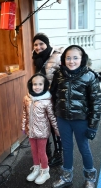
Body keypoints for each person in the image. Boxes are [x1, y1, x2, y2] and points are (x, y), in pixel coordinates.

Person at [50, 45, 101, 188]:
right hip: (63, 119)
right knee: (66, 148)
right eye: (68, 57)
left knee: (83, 148)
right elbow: (53, 95)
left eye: (75, 57)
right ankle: (66, 177)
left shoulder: (89, 76)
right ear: (63, 59)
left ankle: (90, 177)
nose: (71, 61)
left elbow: (97, 103)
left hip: (81, 120)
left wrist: (93, 126)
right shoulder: (58, 74)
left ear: (82, 59)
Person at [21, 73, 59, 185]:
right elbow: (24, 113)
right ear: (30, 85)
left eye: (40, 84)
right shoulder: (27, 98)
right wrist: (23, 126)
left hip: (42, 131)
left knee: (42, 151)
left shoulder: (47, 100)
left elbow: (52, 116)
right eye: (34, 84)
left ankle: (45, 171)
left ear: (45, 85)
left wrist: (56, 129)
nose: (37, 87)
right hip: (31, 130)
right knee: (34, 150)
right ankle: (36, 168)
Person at [32, 33, 63, 167]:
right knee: (45, 126)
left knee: (56, 127)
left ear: (47, 44)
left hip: (55, 99)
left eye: (41, 44)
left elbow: (64, 77)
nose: (38, 47)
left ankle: (59, 154)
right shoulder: (36, 58)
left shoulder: (56, 57)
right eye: (35, 45)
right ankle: (47, 153)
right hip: (43, 99)